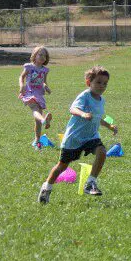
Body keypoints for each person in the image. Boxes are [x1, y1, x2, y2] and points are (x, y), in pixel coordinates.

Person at [37, 66, 118, 204]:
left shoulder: (101, 100)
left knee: (102, 151)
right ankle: (47, 187)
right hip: (74, 138)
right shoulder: (85, 96)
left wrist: (109, 126)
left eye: (105, 83)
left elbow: (97, 117)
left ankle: (90, 183)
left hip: (91, 136)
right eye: (98, 82)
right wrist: (83, 113)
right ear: (89, 83)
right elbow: (73, 108)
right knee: (62, 166)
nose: (102, 86)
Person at [18, 46, 52, 149]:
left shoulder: (45, 70)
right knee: (34, 109)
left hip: (39, 94)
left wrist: (46, 87)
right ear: (34, 55)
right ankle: (44, 120)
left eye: (44, 56)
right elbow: (21, 77)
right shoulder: (29, 67)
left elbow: (44, 81)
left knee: (37, 120)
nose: (42, 57)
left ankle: (37, 141)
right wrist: (21, 86)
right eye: (40, 55)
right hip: (29, 93)